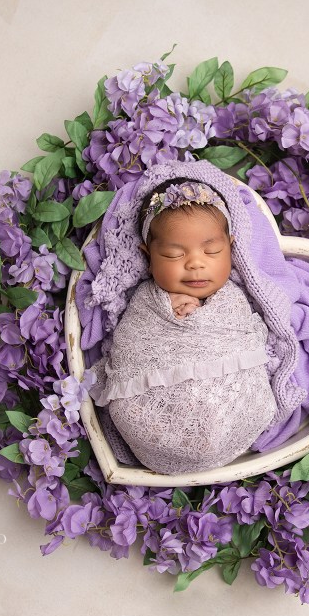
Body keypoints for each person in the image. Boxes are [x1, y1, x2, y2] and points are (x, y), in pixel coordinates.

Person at [86, 179, 278, 475]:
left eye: (212, 251)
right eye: (175, 255)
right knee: (129, 409)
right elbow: (129, 349)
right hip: (157, 418)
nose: (195, 264)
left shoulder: (233, 296)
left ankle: (217, 439)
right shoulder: (144, 301)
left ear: (231, 247)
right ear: (148, 257)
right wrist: (171, 317)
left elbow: (248, 336)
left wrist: (201, 318)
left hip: (228, 406)